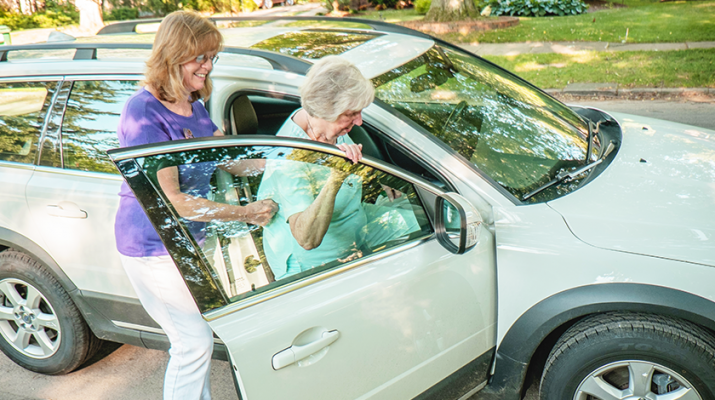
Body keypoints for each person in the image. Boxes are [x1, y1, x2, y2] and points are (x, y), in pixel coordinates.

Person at [113, 11, 277, 400]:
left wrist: (292, 160)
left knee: (193, 343)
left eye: (211, 57)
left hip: (188, 244)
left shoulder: (194, 105)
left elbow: (231, 158)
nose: (207, 67)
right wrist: (247, 214)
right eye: (199, 58)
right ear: (173, 55)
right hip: (154, 245)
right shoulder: (144, 113)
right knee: (194, 343)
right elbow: (176, 203)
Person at [257, 56, 419, 280]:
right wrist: (335, 180)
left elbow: (350, 160)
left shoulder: (326, 127)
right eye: (352, 114)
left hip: (354, 223)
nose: (359, 121)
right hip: (316, 260)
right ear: (324, 109)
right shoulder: (289, 158)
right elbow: (307, 239)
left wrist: (378, 178)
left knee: (419, 220)